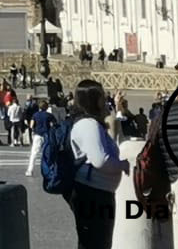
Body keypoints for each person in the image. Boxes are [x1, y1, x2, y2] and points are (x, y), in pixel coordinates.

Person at [64, 80, 124, 249]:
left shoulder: (91, 123)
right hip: (93, 194)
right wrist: (122, 165)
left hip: (98, 192)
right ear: (93, 100)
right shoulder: (88, 125)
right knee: (96, 242)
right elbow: (100, 160)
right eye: (102, 97)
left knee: (97, 242)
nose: (105, 101)